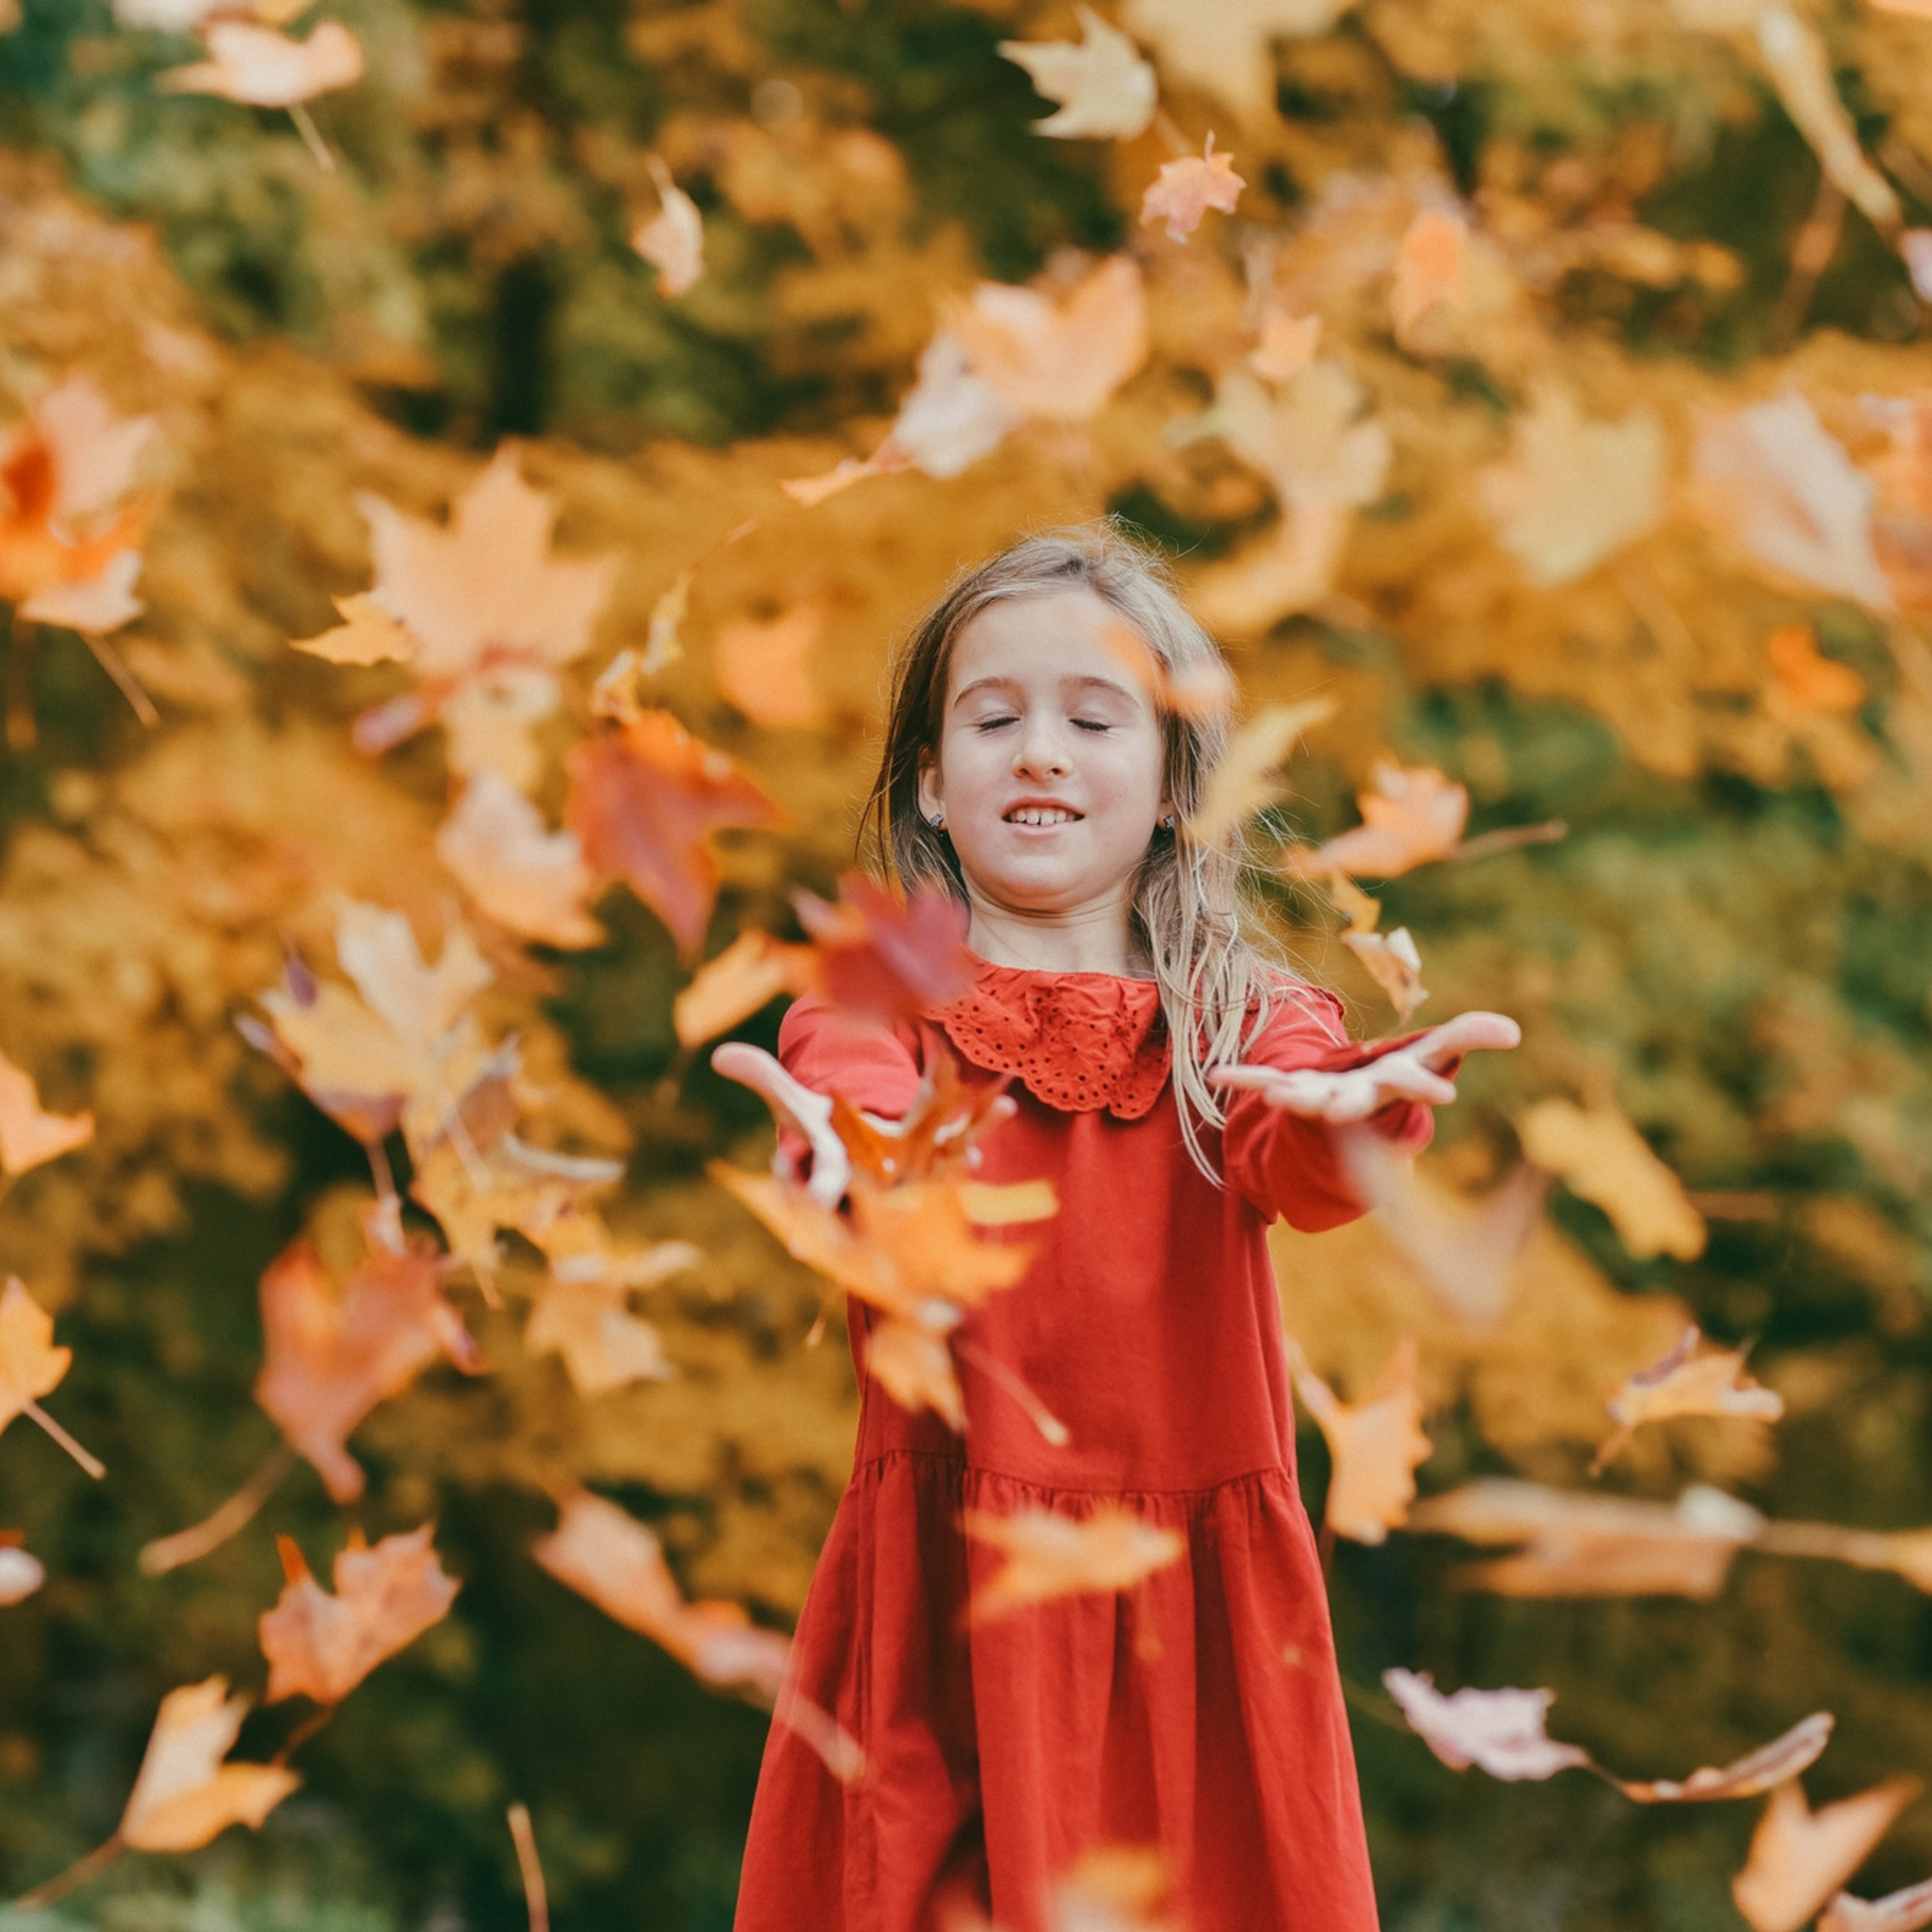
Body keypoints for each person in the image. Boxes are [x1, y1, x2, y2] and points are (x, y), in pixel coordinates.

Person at [721, 525, 1518, 1932]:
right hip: (949, 1622)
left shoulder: (1247, 1020)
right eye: (994, 718)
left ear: (1168, 788)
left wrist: (1357, 1117)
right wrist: (850, 1152)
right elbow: (854, 1105)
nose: (1039, 752)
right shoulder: (876, 999)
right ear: (927, 778)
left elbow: (1304, 1153)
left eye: (1093, 720)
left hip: (1194, 1640)